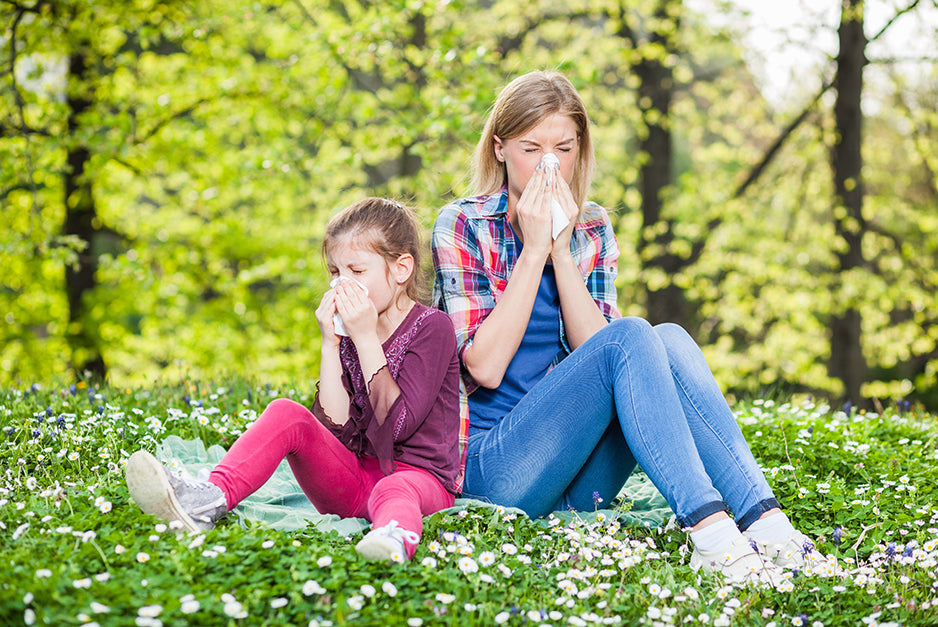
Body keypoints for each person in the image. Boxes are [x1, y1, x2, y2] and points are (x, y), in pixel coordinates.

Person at [431, 71, 822, 585]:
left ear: (580, 150)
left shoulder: (591, 226)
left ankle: (766, 523)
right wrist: (532, 249)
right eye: (531, 148)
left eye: (564, 148)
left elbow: (612, 358)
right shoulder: (463, 223)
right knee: (637, 333)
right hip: (493, 470)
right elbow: (482, 365)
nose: (550, 164)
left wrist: (562, 251)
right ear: (500, 149)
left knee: (668, 339)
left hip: (574, 474)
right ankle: (710, 532)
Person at [127, 197, 464, 562]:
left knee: (395, 488)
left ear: (401, 269)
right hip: (355, 485)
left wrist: (365, 337)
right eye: (336, 273)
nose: (342, 284)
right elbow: (334, 431)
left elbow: (396, 425)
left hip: (420, 482)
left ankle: (392, 539)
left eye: (357, 271)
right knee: (287, 412)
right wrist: (330, 342)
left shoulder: (432, 327)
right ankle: (206, 501)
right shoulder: (350, 334)